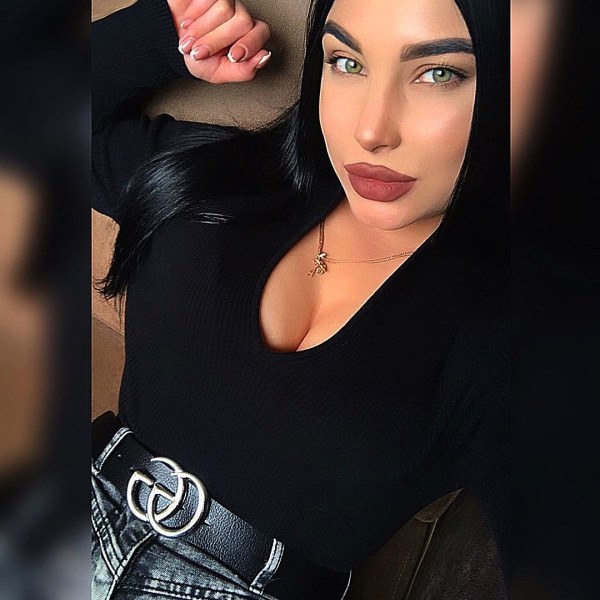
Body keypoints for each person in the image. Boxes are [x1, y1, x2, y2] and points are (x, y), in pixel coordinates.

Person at [92, 0, 509, 598]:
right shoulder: (220, 178)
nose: (371, 130)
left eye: (438, 73)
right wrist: (169, 31)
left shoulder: (506, 339)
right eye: (347, 62)